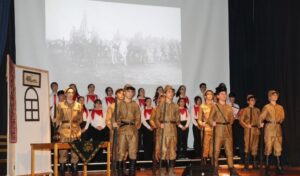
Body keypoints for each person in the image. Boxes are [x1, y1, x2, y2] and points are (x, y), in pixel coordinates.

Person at [208, 85, 240, 176]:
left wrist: (230, 123)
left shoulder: (229, 107)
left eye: (225, 94)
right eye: (222, 94)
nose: (224, 95)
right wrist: (213, 122)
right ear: (217, 96)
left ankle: (231, 168)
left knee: (229, 151)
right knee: (216, 150)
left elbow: (232, 119)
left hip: (228, 131)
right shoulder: (215, 106)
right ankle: (215, 168)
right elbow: (209, 119)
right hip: (218, 130)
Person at [112, 85, 141, 176]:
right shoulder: (119, 104)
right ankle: (120, 173)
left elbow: (138, 118)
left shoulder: (135, 105)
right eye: (128, 91)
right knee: (121, 152)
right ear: (124, 92)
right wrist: (114, 123)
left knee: (133, 152)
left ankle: (132, 173)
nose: (130, 93)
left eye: (132, 92)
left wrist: (135, 127)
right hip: (122, 131)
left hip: (133, 131)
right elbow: (114, 117)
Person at [55, 87, 83, 176]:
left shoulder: (78, 105)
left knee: (75, 151)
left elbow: (81, 119)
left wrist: (75, 125)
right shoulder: (60, 105)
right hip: (64, 130)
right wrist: (56, 131)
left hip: (75, 130)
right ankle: (62, 169)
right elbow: (58, 118)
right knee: (63, 151)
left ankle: (74, 168)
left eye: (72, 92)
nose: (71, 94)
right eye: (69, 92)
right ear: (65, 94)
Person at [155, 85, 180, 176]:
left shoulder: (176, 106)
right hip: (163, 130)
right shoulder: (161, 105)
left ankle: (171, 170)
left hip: (173, 130)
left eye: (172, 92)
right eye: (169, 92)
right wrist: (159, 124)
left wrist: (176, 122)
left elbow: (178, 119)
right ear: (165, 93)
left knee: (173, 150)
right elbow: (156, 118)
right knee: (163, 150)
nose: (171, 93)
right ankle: (162, 169)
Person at [260, 90, 285, 175]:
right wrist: (260, 123)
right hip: (269, 129)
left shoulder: (280, 107)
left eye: (276, 95)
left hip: (278, 128)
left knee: (278, 148)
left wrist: (277, 122)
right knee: (268, 147)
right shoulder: (266, 107)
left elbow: (282, 118)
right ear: (269, 97)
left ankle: (278, 167)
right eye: (273, 95)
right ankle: (267, 168)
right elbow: (261, 117)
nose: (275, 96)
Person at [239, 94, 261, 170]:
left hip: (256, 130)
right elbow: (241, 120)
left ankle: (255, 163)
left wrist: (260, 124)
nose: (253, 101)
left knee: (255, 146)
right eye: (251, 100)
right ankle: (246, 164)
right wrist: (246, 125)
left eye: (254, 100)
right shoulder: (245, 110)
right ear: (248, 101)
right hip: (248, 129)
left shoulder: (257, 110)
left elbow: (259, 120)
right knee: (247, 146)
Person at [198, 90, 214, 164]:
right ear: (205, 96)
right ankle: (204, 162)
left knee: (213, 146)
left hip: (214, 129)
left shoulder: (215, 105)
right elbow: (199, 120)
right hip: (206, 129)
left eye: (211, 94)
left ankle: (212, 162)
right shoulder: (202, 106)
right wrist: (202, 123)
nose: (210, 95)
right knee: (205, 145)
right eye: (208, 94)